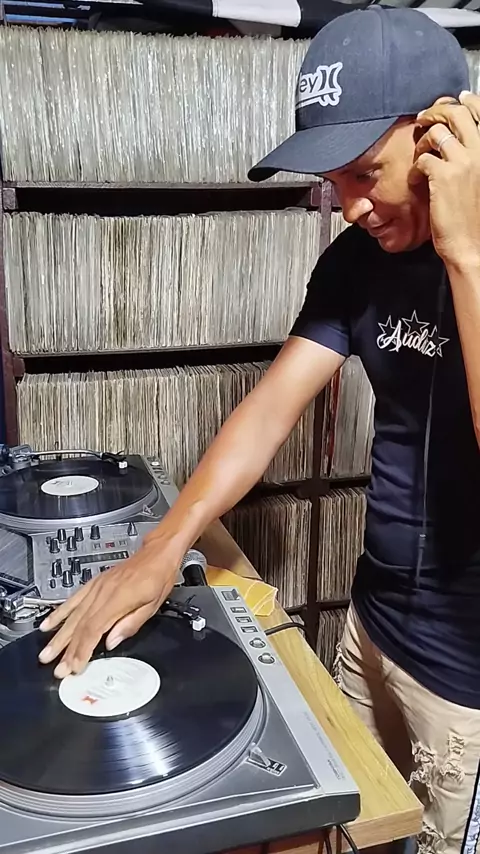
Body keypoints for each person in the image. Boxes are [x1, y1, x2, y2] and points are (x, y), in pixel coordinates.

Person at [38, 7, 480, 852]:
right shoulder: (356, 262)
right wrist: (163, 548)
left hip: (465, 680)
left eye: (366, 172)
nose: (350, 207)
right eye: (335, 181)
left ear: (443, 137)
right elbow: (271, 408)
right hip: (372, 627)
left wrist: (468, 254)